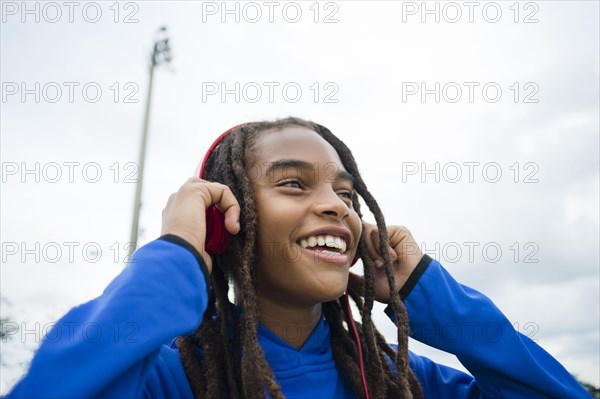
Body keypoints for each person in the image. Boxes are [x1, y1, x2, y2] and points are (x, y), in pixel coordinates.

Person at [7, 117, 590, 398]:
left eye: (346, 194)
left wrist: (427, 291)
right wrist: (181, 254)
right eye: (292, 184)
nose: (336, 208)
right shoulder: (174, 377)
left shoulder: (397, 380)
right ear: (227, 220)